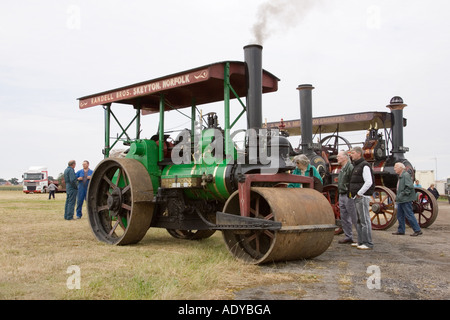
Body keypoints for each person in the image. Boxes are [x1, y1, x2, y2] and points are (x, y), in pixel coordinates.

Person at [349, 147, 375, 250]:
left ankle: (368, 243)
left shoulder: (364, 166)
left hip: (362, 197)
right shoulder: (357, 165)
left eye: (353, 153)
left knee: (365, 220)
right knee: (359, 220)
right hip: (357, 196)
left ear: (359, 154)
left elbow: (369, 182)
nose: (351, 155)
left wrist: (360, 193)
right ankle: (360, 241)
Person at [392, 162, 423, 236]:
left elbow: (409, 187)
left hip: (405, 199)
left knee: (409, 215)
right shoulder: (401, 176)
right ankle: (401, 230)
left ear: (400, 168)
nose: (394, 169)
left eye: (395, 167)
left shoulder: (405, 175)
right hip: (401, 199)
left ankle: (417, 230)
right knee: (400, 215)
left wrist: (402, 194)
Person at [336, 150, 357, 244]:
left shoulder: (350, 167)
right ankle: (348, 236)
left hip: (348, 195)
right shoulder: (343, 168)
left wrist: (350, 193)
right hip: (342, 194)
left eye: (338, 156)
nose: (337, 158)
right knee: (344, 217)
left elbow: (352, 181)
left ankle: (361, 238)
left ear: (345, 157)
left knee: (354, 216)